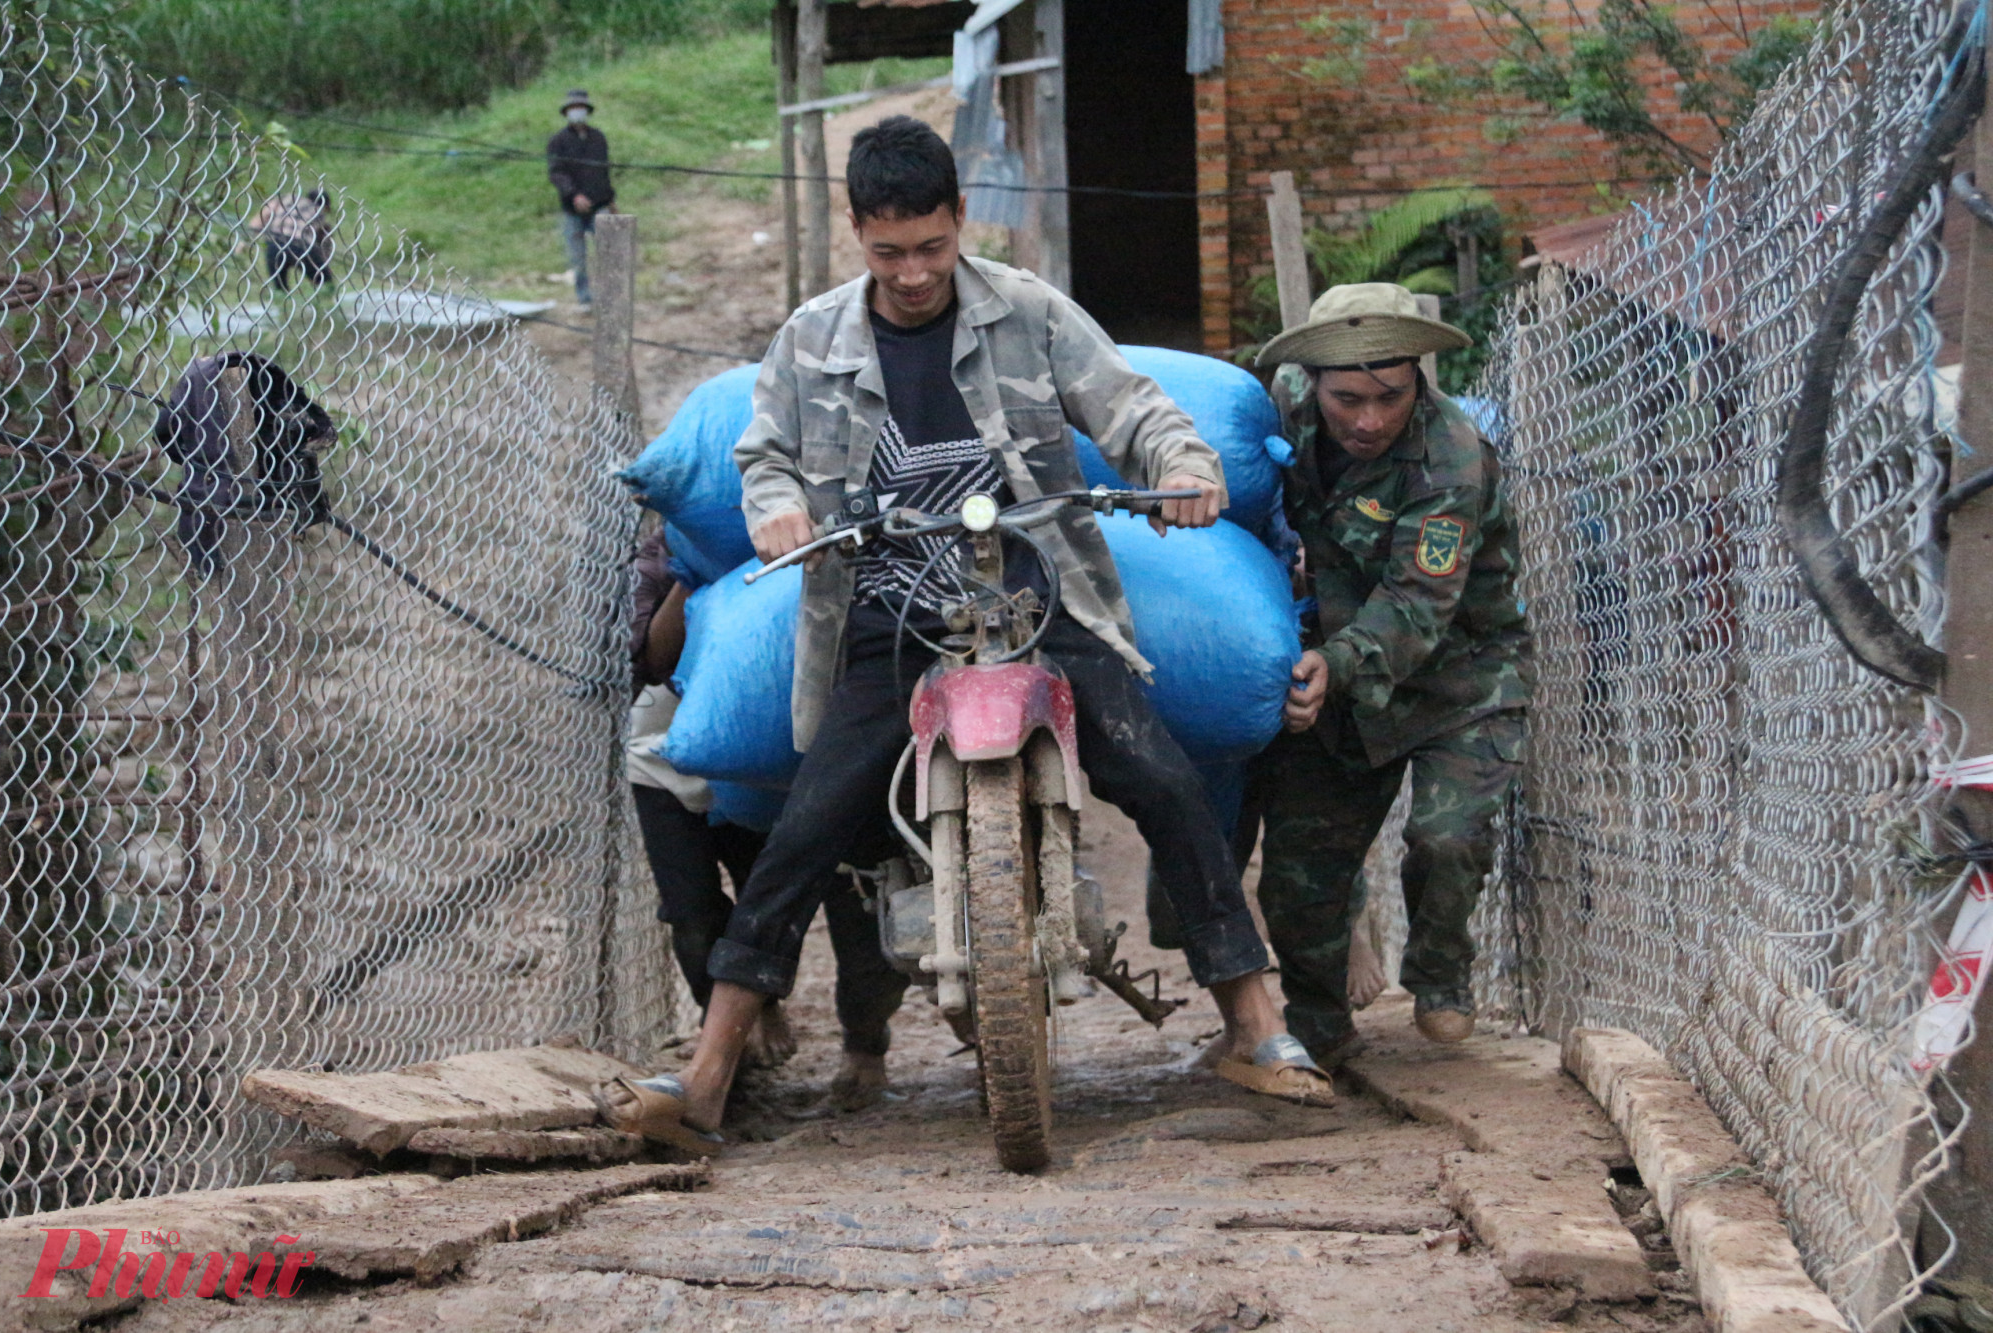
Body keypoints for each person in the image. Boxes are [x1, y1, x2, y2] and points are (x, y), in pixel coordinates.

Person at [601, 115, 1333, 1152]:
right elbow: (762, 455)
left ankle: (1255, 1026)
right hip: (883, 619)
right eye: (888, 251)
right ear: (857, 232)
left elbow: (1134, 408)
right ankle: (709, 1072)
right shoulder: (811, 338)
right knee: (806, 828)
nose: (912, 273)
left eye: (931, 247)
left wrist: (1185, 465)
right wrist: (776, 507)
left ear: (958, 220)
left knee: (1162, 779)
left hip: (1040, 603)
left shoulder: (1028, 311)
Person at [1248, 282, 1534, 1062]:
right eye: (1348, 399)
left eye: (1390, 397)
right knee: (1301, 871)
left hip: (1460, 678)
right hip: (1337, 677)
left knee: (1446, 839)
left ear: (1418, 380)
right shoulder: (1281, 407)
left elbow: (1417, 603)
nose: (1369, 419)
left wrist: (1332, 663)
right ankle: (1319, 1024)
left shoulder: (1452, 460)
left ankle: (1440, 970)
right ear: (1312, 383)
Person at [624, 530, 910, 1108]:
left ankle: (865, 1044)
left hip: (804, 749)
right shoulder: (677, 538)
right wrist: (690, 569)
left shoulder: (845, 529)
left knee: (857, 909)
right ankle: (739, 1033)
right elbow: (653, 661)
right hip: (675, 750)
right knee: (693, 914)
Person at [547, 89, 613, 309]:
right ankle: (584, 298)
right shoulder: (558, 141)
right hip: (572, 209)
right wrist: (574, 194)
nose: (577, 111)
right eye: (573, 108)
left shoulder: (598, 138)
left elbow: (603, 171)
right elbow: (556, 173)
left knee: (608, 253)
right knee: (578, 258)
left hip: (600, 205)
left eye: (580, 108)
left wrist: (610, 199)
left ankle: (610, 297)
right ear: (567, 112)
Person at [253, 190, 333, 291]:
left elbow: (263, 215)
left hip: (275, 242)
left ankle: (280, 295)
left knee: (280, 286)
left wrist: (250, 237)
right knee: (325, 283)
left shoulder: (287, 199)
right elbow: (324, 247)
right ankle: (326, 295)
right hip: (301, 245)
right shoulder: (319, 211)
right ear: (325, 207)